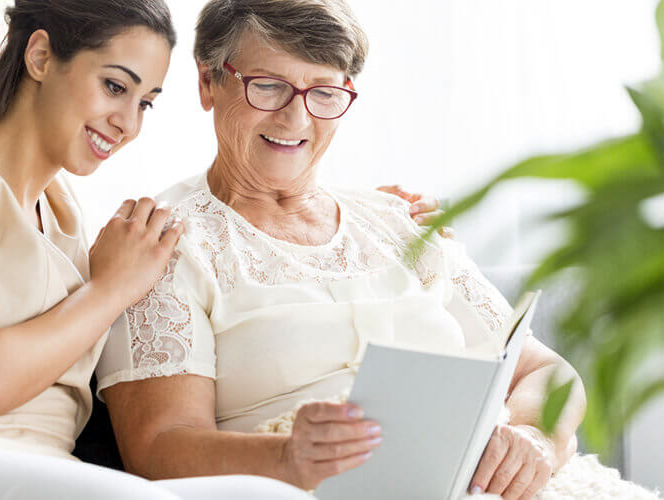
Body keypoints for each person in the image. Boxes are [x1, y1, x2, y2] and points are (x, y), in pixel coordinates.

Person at [0, 1, 440, 499]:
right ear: (43, 56)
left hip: (41, 474)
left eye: (146, 103)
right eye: (114, 86)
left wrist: (368, 221)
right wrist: (110, 290)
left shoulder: (70, 221)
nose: (128, 123)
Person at [97, 1, 587, 499]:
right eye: (267, 86)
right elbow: (159, 448)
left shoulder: (401, 222)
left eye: (324, 93)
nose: (295, 117)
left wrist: (535, 438)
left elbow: (544, 370)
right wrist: (288, 459)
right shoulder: (163, 244)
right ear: (208, 82)